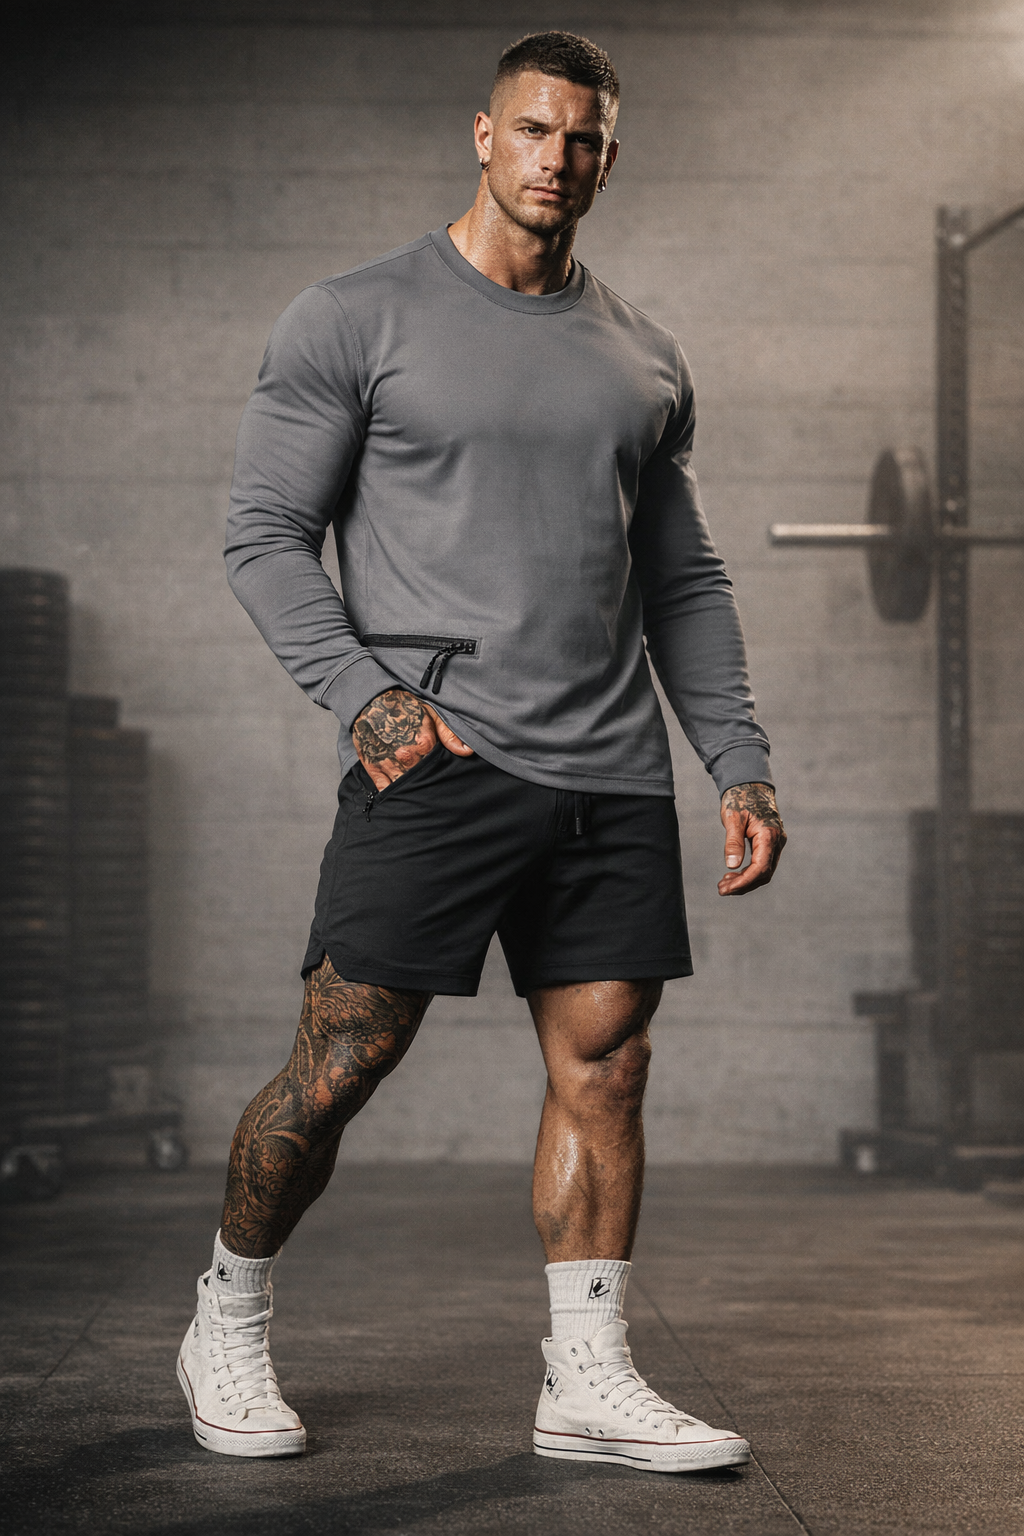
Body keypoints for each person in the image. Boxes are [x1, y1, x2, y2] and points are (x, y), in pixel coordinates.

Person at [177, 30, 785, 1473]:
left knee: (607, 1070)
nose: (554, 159)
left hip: (610, 773)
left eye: (583, 139)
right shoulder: (354, 317)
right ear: (482, 134)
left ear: (608, 160)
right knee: (342, 1060)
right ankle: (226, 1317)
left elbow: (683, 580)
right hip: (438, 759)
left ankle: (586, 1377)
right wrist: (366, 698)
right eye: (532, 129)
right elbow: (263, 536)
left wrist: (737, 756)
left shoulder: (644, 356)